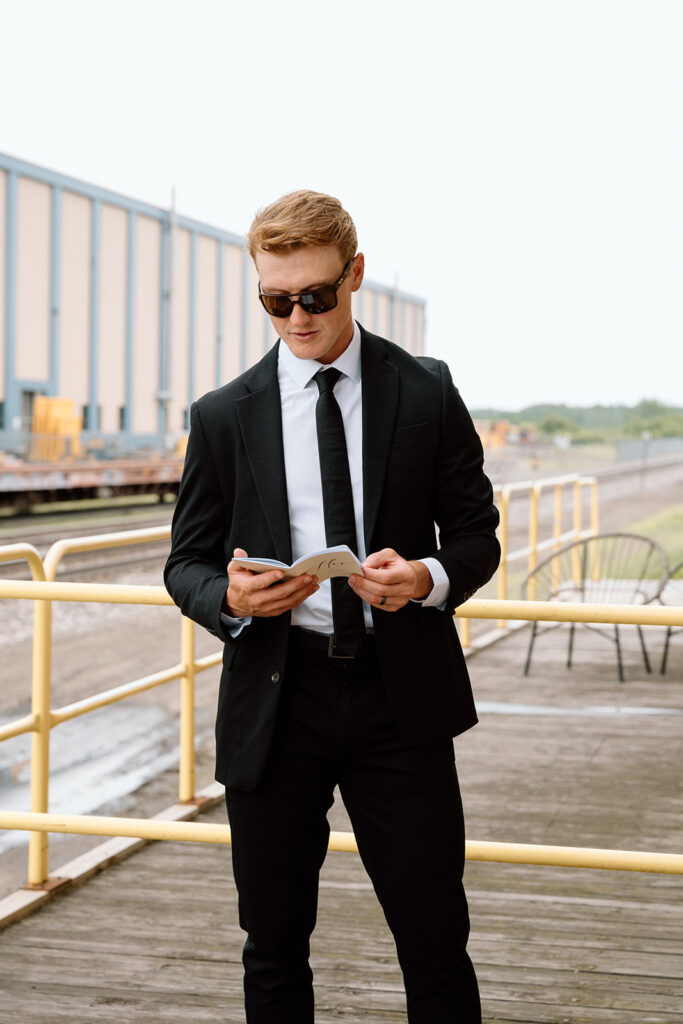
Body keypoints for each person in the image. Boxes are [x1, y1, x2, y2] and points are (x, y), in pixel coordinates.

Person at [164, 190, 500, 1023]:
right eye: (275, 302)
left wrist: (425, 577)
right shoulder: (221, 416)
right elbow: (186, 565)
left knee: (433, 940)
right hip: (279, 704)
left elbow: (475, 535)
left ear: (354, 274)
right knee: (272, 948)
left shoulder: (425, 390)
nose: (297, 318)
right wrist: (231, 599)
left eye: (315, 295)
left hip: (400, 699)